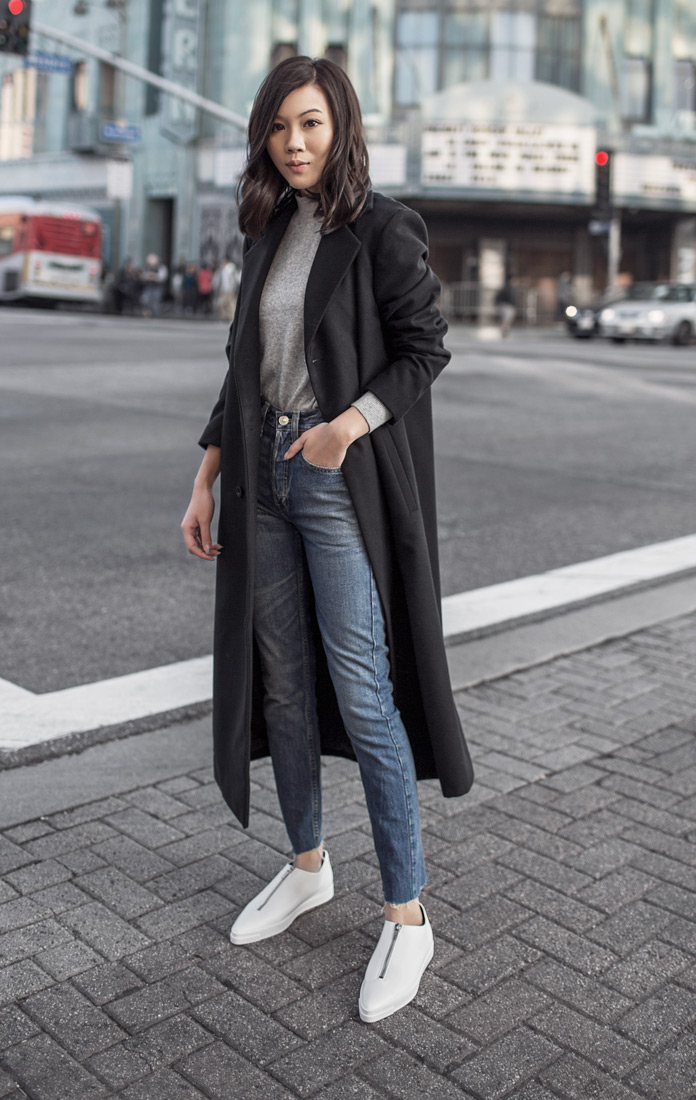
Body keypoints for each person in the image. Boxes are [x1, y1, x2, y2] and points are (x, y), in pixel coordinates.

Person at [180, 56, 473, 1023]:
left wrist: (346, 426)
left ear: (340, 124)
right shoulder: (267, 229)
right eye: (278, 128)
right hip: (262, 476)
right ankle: (307, 865)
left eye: (310, 124)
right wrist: (208, 475)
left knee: (364, 685)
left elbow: (426, 346)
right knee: (284, 682)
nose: (295, 144)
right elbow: (242, 371)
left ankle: (408, 913)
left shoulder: (383, 228)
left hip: (335, 480)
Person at [140, 253, 167, 317]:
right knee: (146, 301)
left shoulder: (161, 267)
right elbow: (143, 275)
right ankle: (147, 315)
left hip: (157, 287)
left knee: (156, 303)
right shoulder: (147, 267)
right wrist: (148, 276)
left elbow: (162, 277)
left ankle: (155, 316)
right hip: (148, 286)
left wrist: (154, 276)